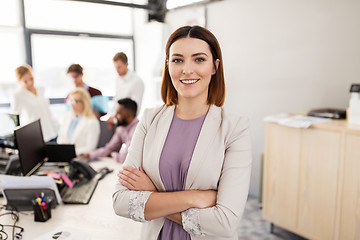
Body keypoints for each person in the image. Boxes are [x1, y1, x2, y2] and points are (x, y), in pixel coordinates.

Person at [112, 26, 252, 240]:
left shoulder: (234, 128)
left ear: (215, 66)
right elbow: (121, 201)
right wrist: (196, 198)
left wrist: (153, 195)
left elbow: (225, 223)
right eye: (177, 60)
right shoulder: (150, 120)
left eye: (199, 59)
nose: (187, 69)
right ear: (168, 66)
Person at [80, 98, 139, 163]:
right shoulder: (121, 128)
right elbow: (109, 148)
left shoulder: (137, 130)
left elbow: (124, 158)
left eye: (118, 113)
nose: (115, 116)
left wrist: (112, 154)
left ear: (129, 116)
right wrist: (89, 155)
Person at [11, 65, 58, 142]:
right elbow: (15, 118)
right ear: (19, 81)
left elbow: (48, 112)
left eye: (31, 79)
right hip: (35, 136)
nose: (30, 83)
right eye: (25, 81)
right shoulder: (17, 95)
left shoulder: (41, 90)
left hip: (51, 131)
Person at [57, 88, 100, 155]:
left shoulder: (92, 122)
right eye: (70, 101)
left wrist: (70, 152)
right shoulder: (67, 117)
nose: (72, 104)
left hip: (80, 159)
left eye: (75, 101)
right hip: (64, 156)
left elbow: (90, 147)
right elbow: (60, 138)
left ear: (84, 102)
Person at [107, 52, 144, 128]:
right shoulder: (118, 79)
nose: (117, 70)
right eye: (115, 67)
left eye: (119, 67)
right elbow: (116, 99)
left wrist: (116, 120)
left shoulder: (137, 81)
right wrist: (113, 116)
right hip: (118, 121)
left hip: (128, 124)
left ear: (126, 64)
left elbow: (135, 109)